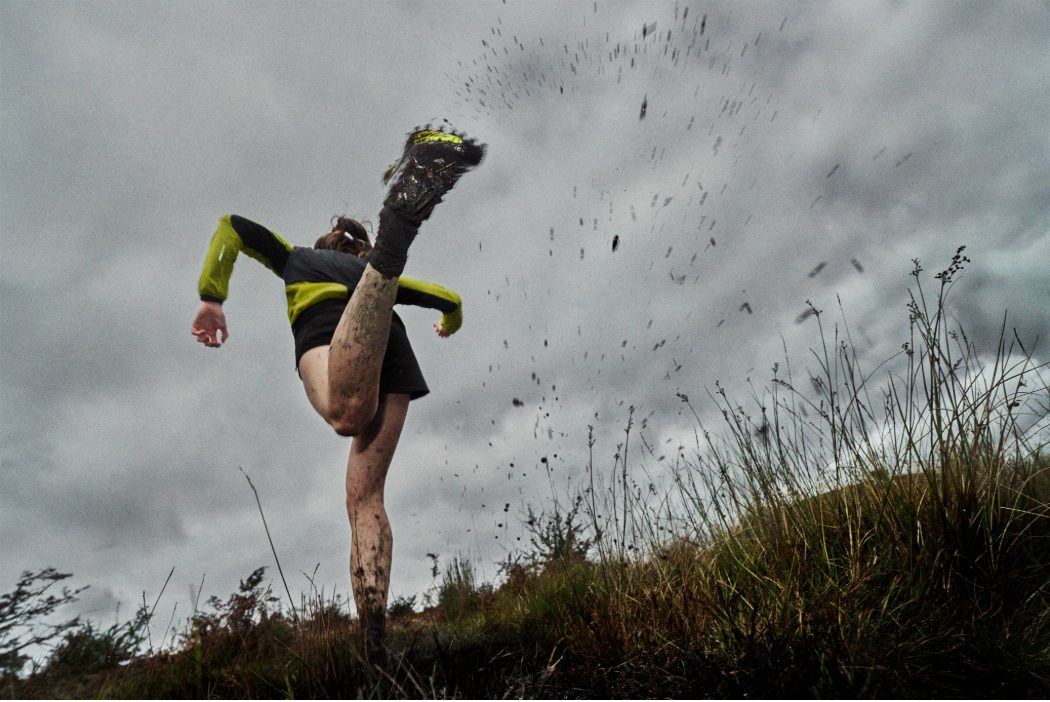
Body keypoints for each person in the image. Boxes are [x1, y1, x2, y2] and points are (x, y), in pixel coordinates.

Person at [190, 128, 486, 665]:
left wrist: (212, 297)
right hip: (388, 342)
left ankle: (398, 227)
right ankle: (375, 651)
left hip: (336, 338)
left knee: (346, 414)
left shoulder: (298, 259)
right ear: (358, 252)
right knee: (364, 499)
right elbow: (447, 297)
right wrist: (453, 318)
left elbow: (233, 227)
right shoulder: (366, 271)